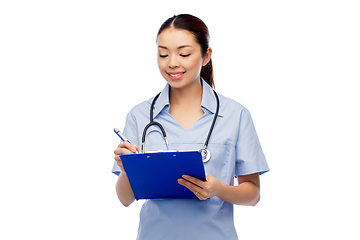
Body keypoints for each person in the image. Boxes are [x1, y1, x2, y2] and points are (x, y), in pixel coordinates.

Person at [112, 14, 269, 240]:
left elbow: (253, 194)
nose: (172, 62)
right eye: (163, 54)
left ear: (206, 56)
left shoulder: (236, 115)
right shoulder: (139, 115)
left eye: (184, 53)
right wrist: (128, 169)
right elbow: (125, 199)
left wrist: (218, 190)